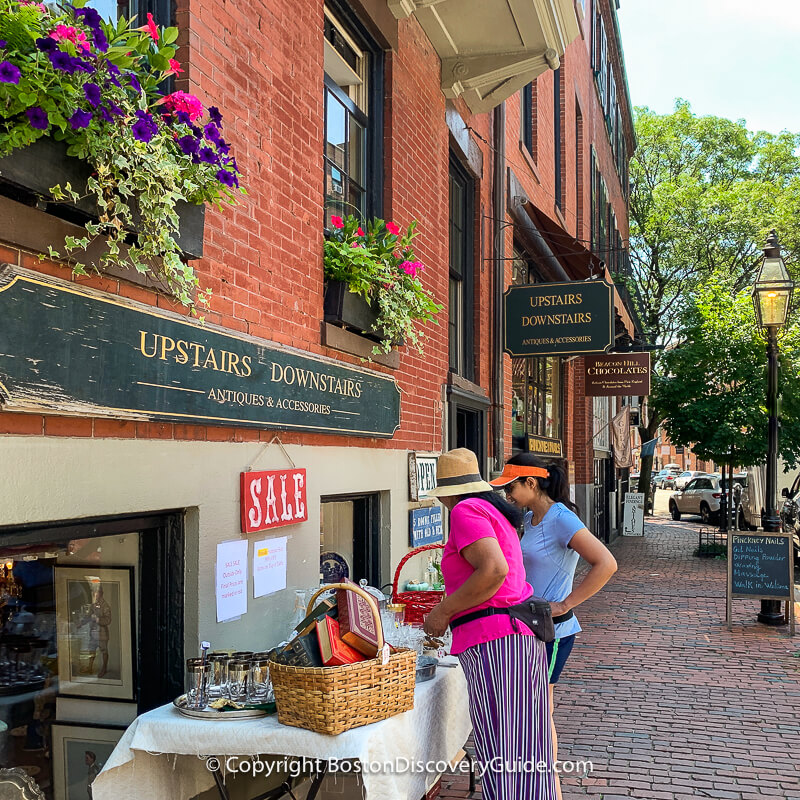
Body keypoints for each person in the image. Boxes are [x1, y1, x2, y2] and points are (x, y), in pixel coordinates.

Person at [423, 448, 557, 800]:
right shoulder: (491, 509)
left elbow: (494, 570)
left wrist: (443, 612)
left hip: (496, 639)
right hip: (516, 637)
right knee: (527, 746)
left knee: (503, 747)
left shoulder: (466, 510)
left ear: (449, 492)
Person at [490, 453, 618, 800]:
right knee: (528, 711)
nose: (507, 495)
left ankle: (550, 789)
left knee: (539, 712)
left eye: (511, 487)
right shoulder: (530, 518)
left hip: (552, 632)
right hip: (523, 628)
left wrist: (565, 604)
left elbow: (606, 563)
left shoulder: (562, 518)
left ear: (531, 483)